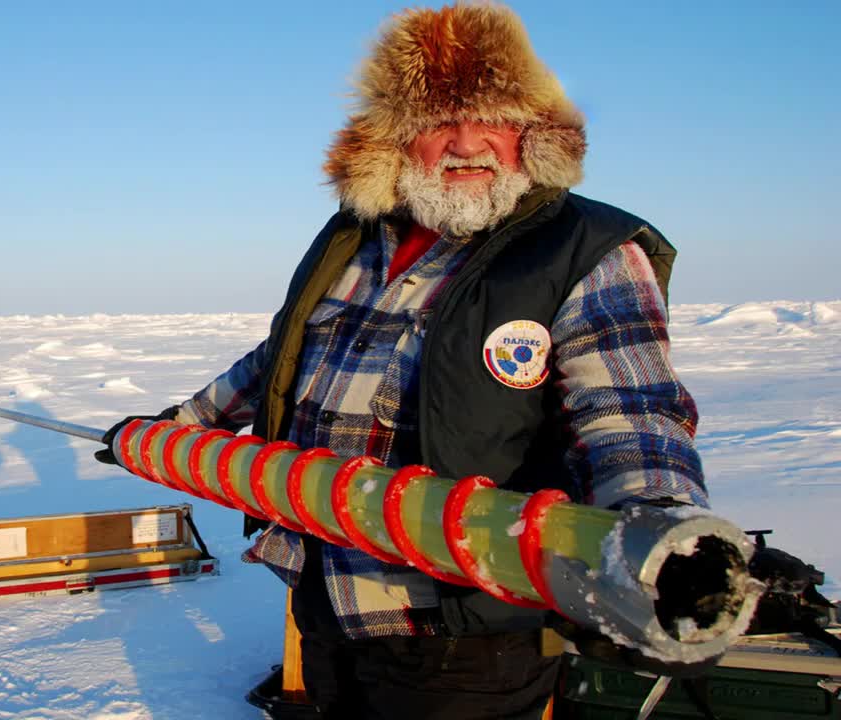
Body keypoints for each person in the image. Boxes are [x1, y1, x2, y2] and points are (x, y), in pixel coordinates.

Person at [99, 3, 707, 718]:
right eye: (438, 123)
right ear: (395, 141)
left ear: (534, 136)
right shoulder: (355, 239)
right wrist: (179, 424)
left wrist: (658, 522)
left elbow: (628, 410)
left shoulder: (587, 250)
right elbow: (286, 356)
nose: (468, 143)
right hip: (324, 585)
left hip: (461, 616)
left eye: (497, 120)